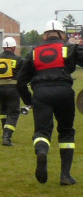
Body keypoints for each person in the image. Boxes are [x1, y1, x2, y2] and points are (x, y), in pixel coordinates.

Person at [16, 20, 83, 185]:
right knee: (66, 132)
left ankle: (42, 151)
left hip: (40, 93)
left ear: (45, 36)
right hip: (64, 92)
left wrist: (29, 101)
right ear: (62, 34)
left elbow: (20, 82)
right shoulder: (69, 48)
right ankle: (65, 176)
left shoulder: (33, 53)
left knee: (42, 132)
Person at [0, 36, 25, 146]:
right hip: (13, 88)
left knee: (3, 110)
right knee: (14, 112)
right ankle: (7, 137)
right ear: (13, 47)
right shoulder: (19, 59)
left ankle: (4, 132)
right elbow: (22, 75)